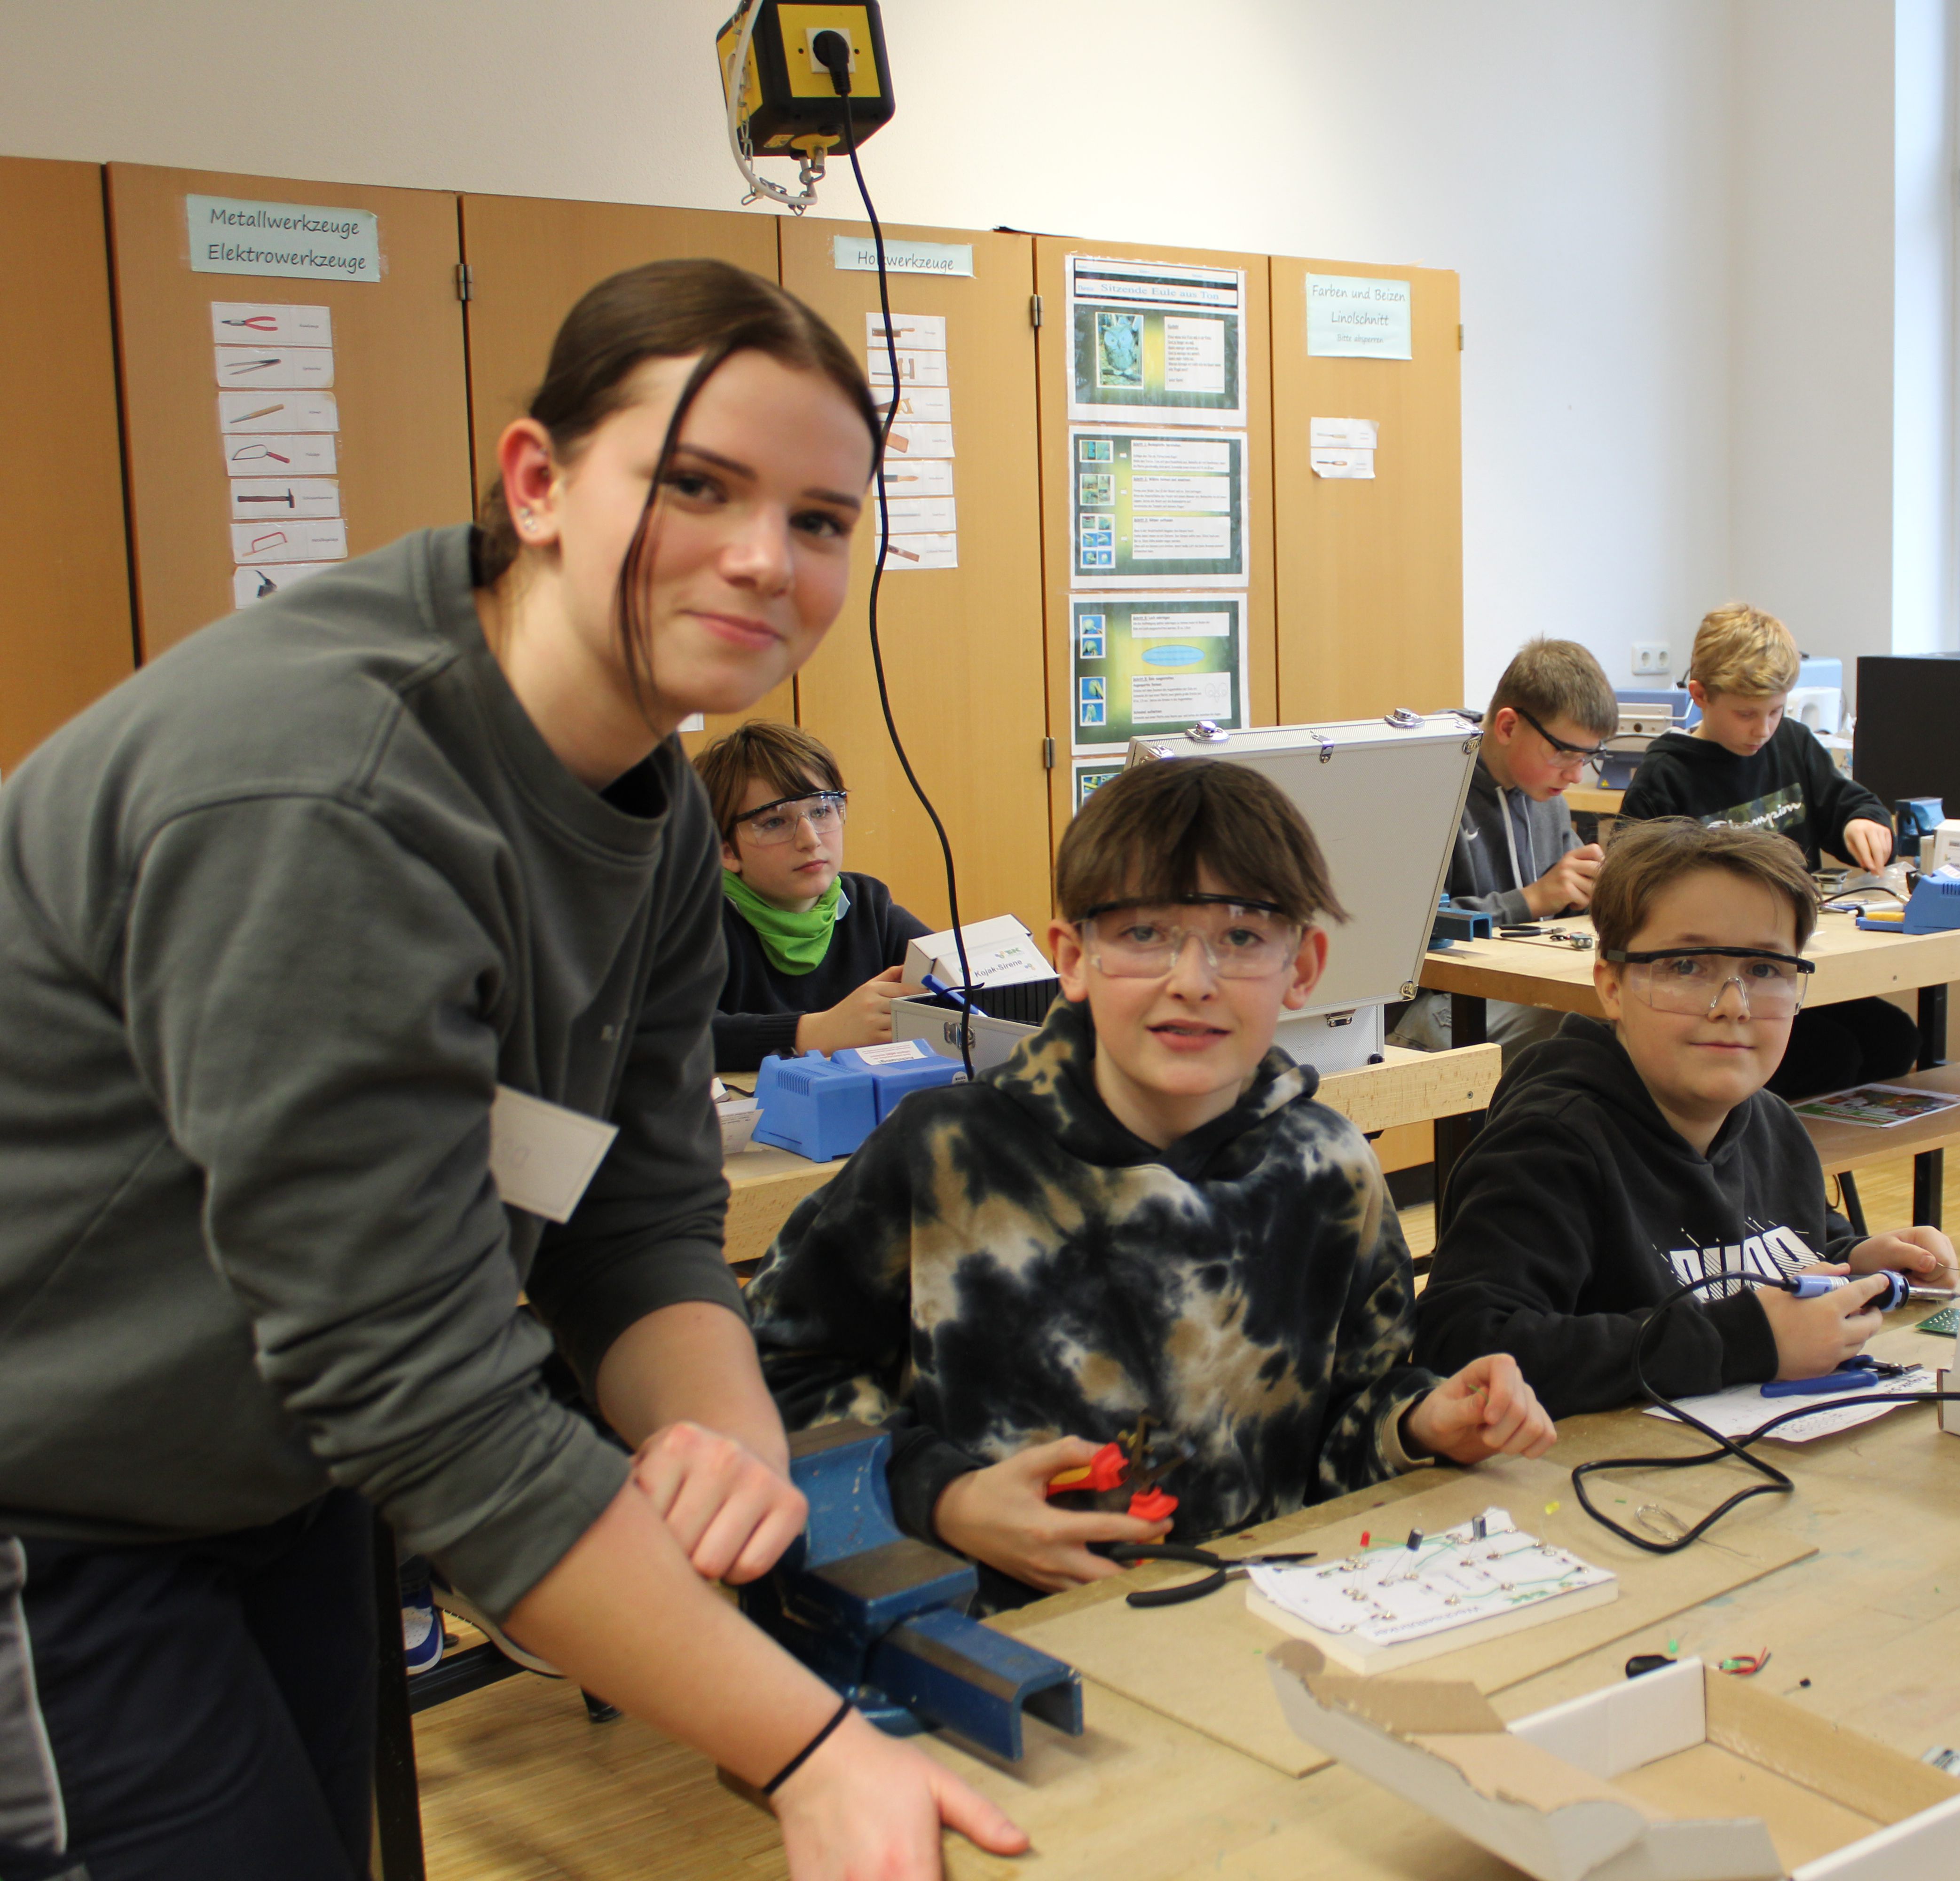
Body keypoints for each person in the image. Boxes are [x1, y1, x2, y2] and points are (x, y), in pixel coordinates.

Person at [0, 259, 1023, 1881]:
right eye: (697, 486)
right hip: (51, 1508)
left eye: (823, 519)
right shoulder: (327, 795)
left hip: (274, 1473)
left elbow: (627, 1213)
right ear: (537, 482)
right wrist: (807, 1744)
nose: (765, 558)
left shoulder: (655, 803)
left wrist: (722, 1432)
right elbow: (419, 1383)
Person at [747, 757, 1556, 1609]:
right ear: (1072, 958)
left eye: (1242, 938)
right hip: (1014, 1647)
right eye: (1143, 935)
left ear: (1305, 967)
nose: (1192, 980)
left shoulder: (1330, 1168)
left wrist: (1421, 1420)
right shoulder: (947, 1156)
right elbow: (771, 1377)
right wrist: (943, 1496)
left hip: (1261, 1631)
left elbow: (1350, 1409)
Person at [1413, 818, 1956, 1418]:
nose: (1732, 1006)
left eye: (1765, 970)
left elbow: (1765, 1243)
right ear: (1612, 985)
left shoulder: (1771, 1125)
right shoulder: (1550, 1144)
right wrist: (1741, 1341)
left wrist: (1858, 1260)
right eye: (1687, 967)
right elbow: (1461, 1345)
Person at [1616, 603, 1914, 1099]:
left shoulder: (1791, 745)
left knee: (1895, 1038)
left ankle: (1797, 1158)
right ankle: (1752, 1153)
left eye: (1777, 711)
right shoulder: (1666, 777)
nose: (1763, 729)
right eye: (1747, 714)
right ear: (1700, 696)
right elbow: (1632, 896)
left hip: (1782, 970)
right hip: (1719, 987)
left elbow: (1846, 802)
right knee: (1833, 1055)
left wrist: (1867, 820)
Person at [1392, 637, 1615, 1056]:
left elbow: (1564, 907)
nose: (1575, 776)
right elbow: (1412, 932)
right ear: (1509, 727)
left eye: (1588, 758)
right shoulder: (1432, 788)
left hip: (1517, 989)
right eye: (1565, 754)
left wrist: (1595, 893)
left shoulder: (1546, 798)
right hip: (1438, 1004)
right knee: (1587, 1034)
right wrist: (1530, 899)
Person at [698, 720, 932, 1072]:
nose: (810, 839)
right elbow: (666, 1033)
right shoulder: (696, 921)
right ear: (726, 850)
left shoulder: (868, 903)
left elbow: (954, 976)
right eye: (775, 822)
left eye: (822, 811)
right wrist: (814, 1031)